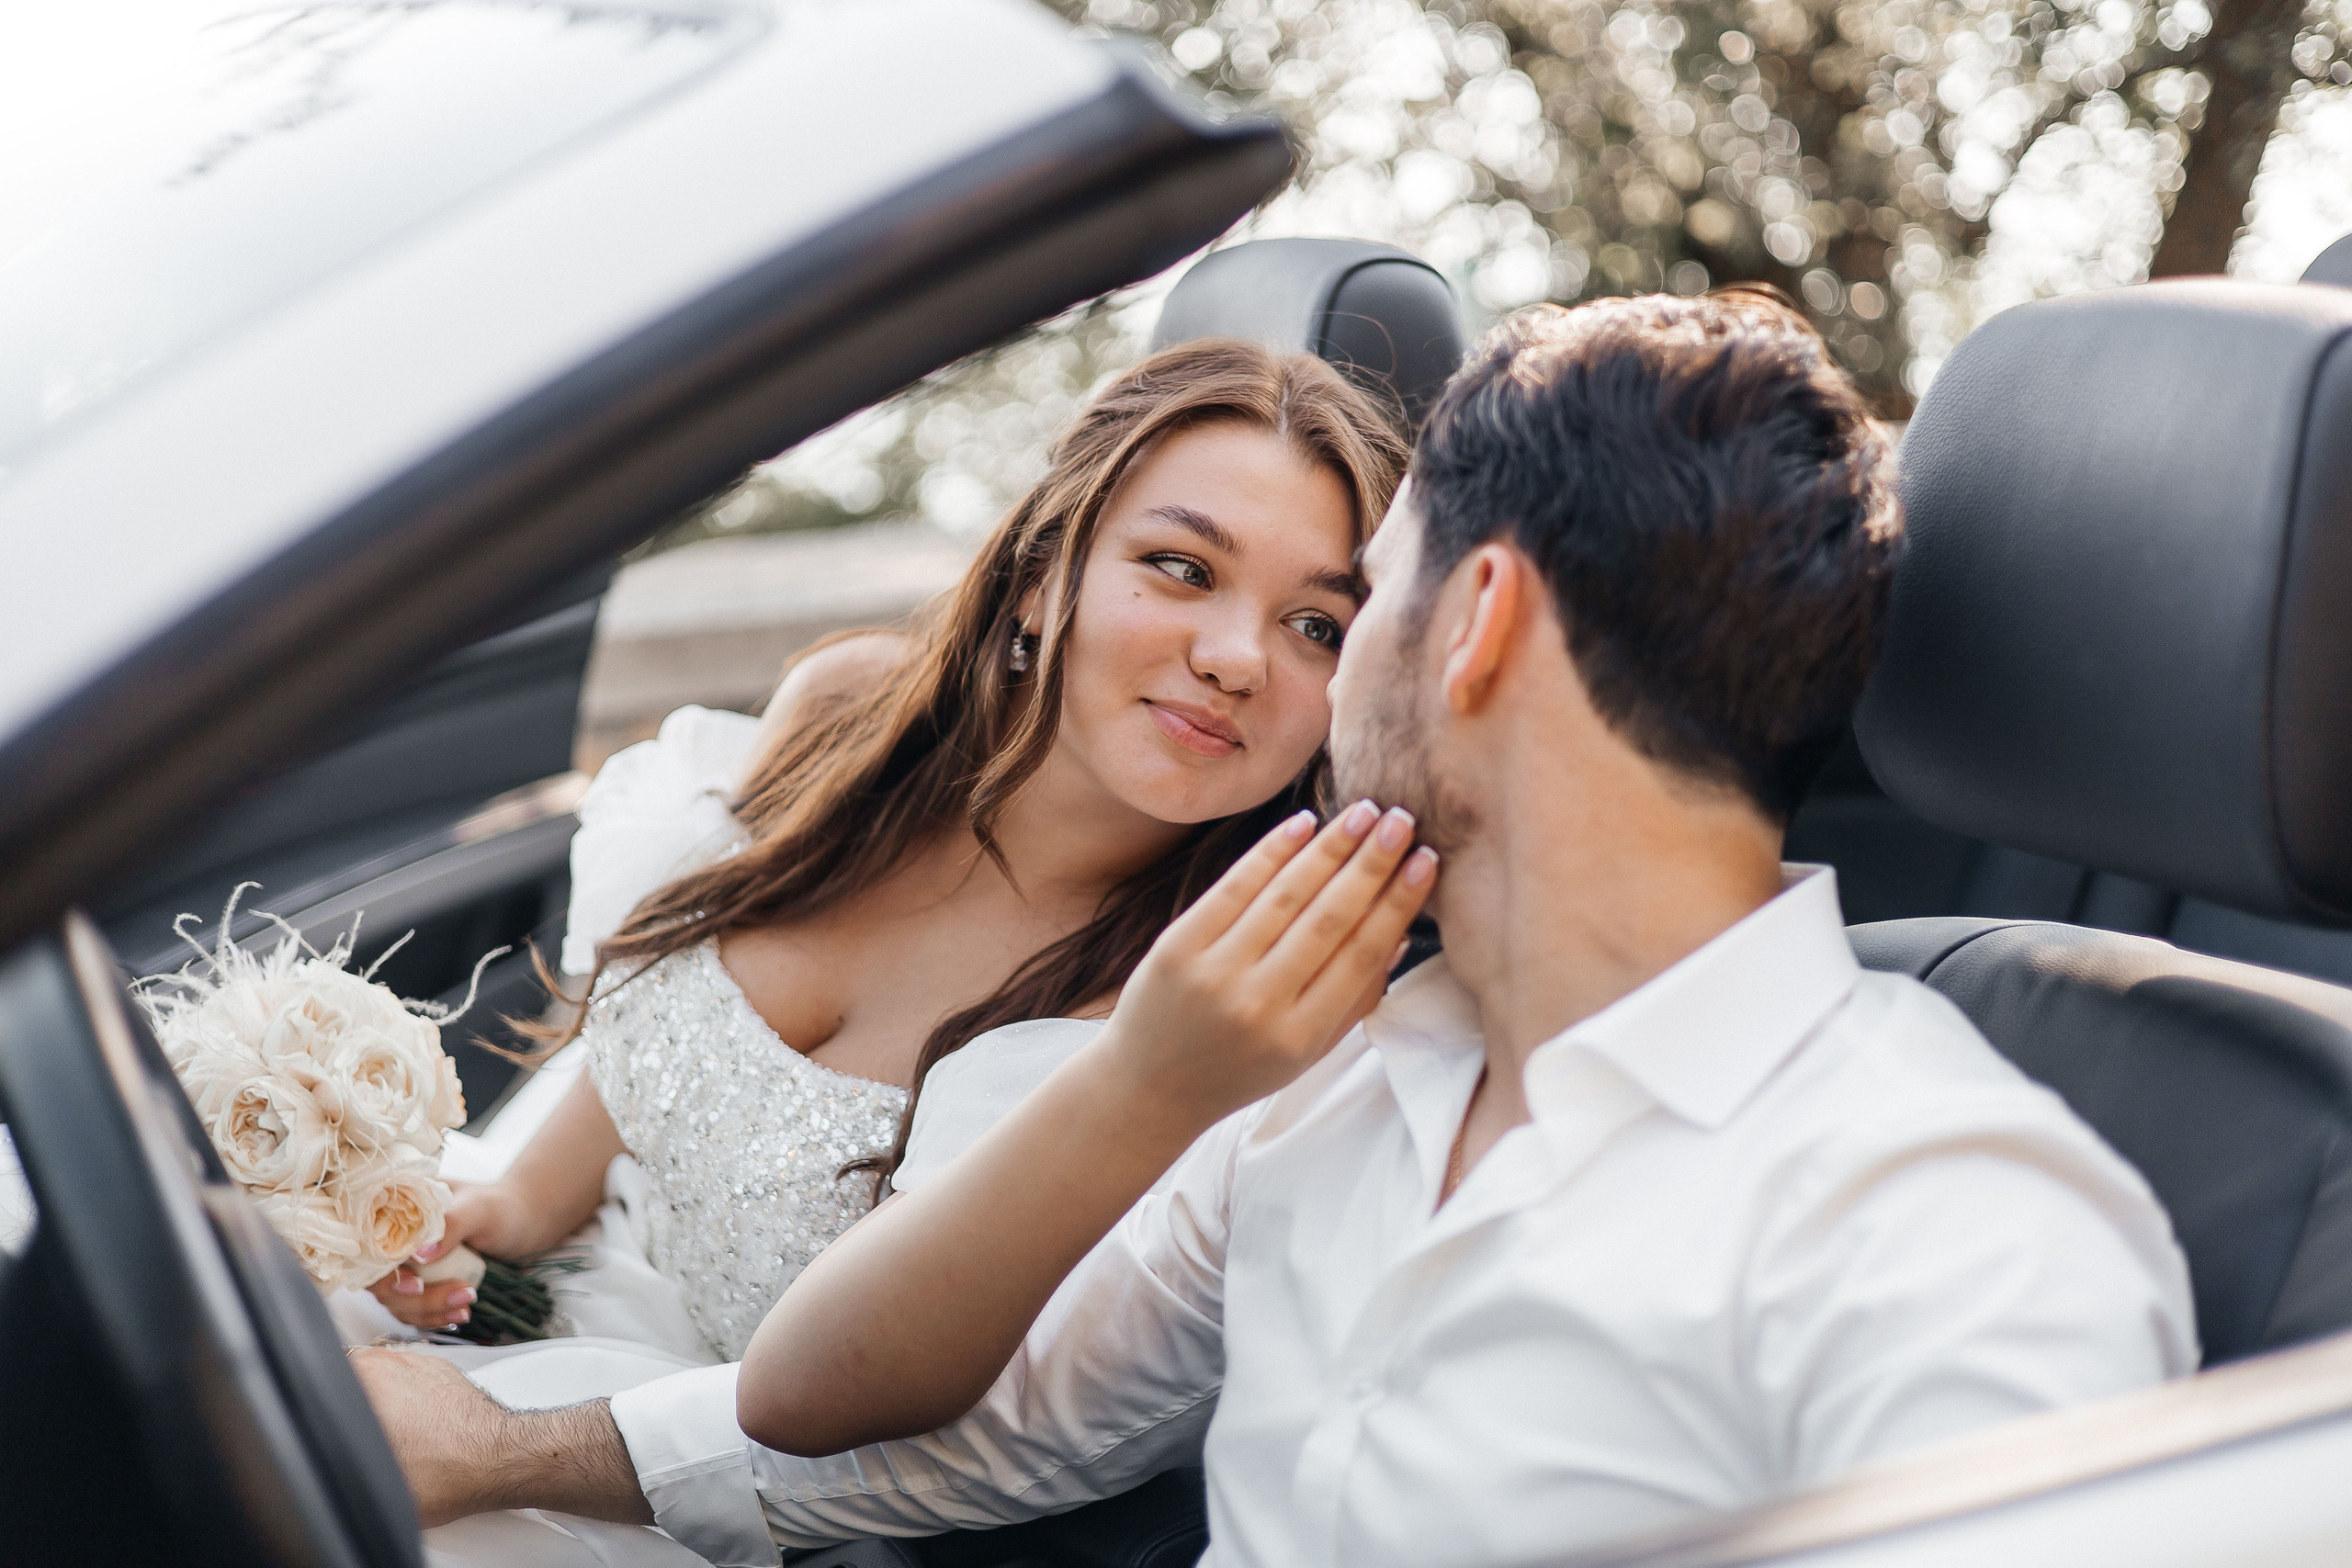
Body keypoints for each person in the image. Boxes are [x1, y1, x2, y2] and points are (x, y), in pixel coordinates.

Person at [356, 291, 2198, 1567]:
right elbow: (855, 1411)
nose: (1270, 673)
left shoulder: (1949, 1236)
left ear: (1463, 626)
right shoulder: (1336, 1091)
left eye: (1348, 604)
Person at [358, 333, 1407, 1367]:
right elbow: (672, 1008)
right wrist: (520, 1204)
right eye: (1182, 567)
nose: (1234, 659)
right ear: (1045, 575)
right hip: (555, 1300)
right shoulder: (844, 717)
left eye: (1316, 626)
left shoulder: (1203, 1003)